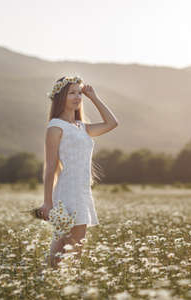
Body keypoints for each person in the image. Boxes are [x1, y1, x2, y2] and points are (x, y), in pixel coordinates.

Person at [39, 75, 118, 269]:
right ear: (60, 98)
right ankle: (51, 280)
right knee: (64, 243)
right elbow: (50, 167)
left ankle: (64, 281)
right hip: (67, 190)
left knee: (76, 244)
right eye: (71, 93)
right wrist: (47, 202)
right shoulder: (56, 126)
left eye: (78, 93)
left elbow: (112, 123)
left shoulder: (82, 127)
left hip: (82, 190)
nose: (77, 97)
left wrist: (94, 97)